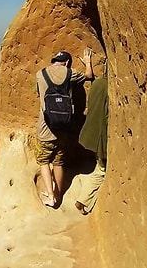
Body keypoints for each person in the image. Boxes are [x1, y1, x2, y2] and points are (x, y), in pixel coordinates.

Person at [36, 48, 93, 207]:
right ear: (66, 62)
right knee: (58, 162)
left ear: (53, 60)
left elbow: (38, 95)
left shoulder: (40, 74)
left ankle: (51, 196)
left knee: (43, 161)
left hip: (45, 128)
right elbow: (89, 76)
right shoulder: (70, 73)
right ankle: (58, 194)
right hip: (64, 128)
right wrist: (88, 62)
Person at [75, 58, 108, 215]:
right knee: (101, 171)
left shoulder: (98, 84)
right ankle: (83, 200)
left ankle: (82, 199)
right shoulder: (111, 88)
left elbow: (93, 81)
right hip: (103, 139)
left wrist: (88, 63)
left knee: (99, 166)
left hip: (93, 136)